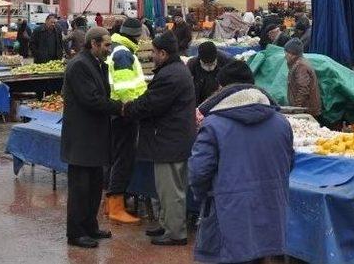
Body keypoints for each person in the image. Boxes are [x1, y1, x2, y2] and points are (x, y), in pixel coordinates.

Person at [189, 62, 294, 264]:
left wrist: (205, 197)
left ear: (221, 88)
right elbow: (289, 163)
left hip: (227, 214)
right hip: (270, 212)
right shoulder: (281, 122)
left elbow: (198, 172)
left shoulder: (213, 124)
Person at [123, 31, 196, 246]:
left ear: (163, 53)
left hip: (169, 141)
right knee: (166, 189)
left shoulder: (170, 76)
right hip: (172, 139)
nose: (152, 55)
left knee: (171, 189)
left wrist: (128, 108)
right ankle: (166, 224)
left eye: (154, 52)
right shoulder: (174, 70)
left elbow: (150, 103)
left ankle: (175, 233)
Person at [60, 27, 122, 249]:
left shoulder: (95, 64)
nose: (109, 49)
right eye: (106, 45)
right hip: (81, 139)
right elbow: (92, 100)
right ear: (93, 44)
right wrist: (120, 108)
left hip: (94, 137)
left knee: (95, 186)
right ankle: (76, 233)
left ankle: (90, 226)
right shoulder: (79, 66)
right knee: (80, 189)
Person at [105, 18, 147, 225]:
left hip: (121, 113)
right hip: (125, 114)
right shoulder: (123, 54)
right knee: (123, 158)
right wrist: (132, 108)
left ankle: (113, 203)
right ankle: (116, 207)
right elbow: (123, 87)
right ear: (137, 35)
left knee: (117, 157)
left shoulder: (119, 49)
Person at [284, 39, 321, 118]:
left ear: (292, 53)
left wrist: (296, 108)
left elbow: (303, 89)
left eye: (286, 52)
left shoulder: (301, 66)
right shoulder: (298, 64)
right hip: (306, 107)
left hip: (306, 109)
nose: (285, 55)